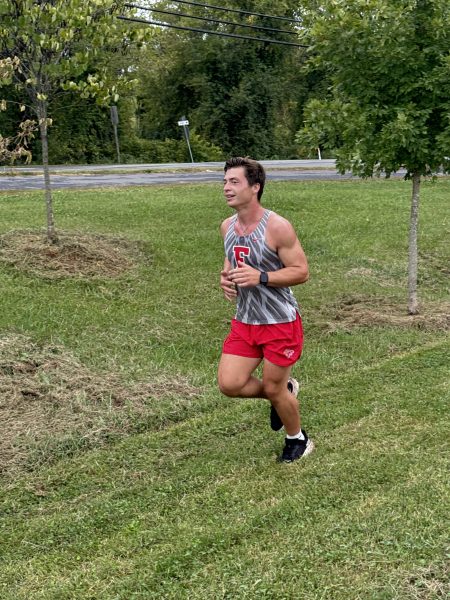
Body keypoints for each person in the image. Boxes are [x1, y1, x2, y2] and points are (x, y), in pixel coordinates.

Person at [218, 156, 314, 463]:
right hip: (246, 320)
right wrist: (227, 278)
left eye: (234, 182)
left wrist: (261, 277)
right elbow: (233, 260)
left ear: (255, 187)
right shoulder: (227, 227)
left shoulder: (277, 226)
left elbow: (300, 271)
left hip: (279, 322)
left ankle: (297, 439)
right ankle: (283, 391)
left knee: (272, 387)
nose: (227, 188)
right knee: (230, 384)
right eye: (225, 182)